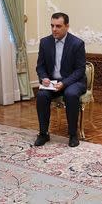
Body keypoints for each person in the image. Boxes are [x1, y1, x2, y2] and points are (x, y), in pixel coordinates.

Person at [34, 12, 86, 148]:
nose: (54, 29)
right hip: (52, 83)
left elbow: (80, 70)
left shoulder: (77, 43)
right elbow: (40, 66)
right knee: (41, 95)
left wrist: (64, 83)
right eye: (52, 26)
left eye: (58, 26)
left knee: (70, 94)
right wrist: (44, 77)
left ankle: (73, 134)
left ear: (67, 26)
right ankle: (43, 133)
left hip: (73, 82)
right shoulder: (45, 42)